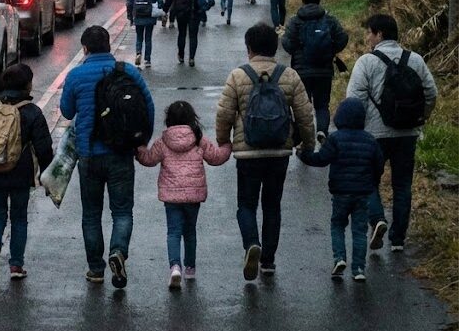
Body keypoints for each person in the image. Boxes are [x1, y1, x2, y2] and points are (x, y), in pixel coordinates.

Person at [215, 23, 315, 281]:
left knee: (245, 205)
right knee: (272, 206)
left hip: (248, 154)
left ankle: (251, 244)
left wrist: (224, 142)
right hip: (279, 153)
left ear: (249, 48)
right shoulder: (289, 75)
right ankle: (268, 261)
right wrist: (308, 145)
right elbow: (305, 115)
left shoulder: (238, 75)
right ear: (275, 47)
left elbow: (224, 114)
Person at [60, 25, 155, 288]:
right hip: (121, 153)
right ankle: (118, 251)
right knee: (122, 211)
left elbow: (67, 111)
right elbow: (147, 106)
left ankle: (96, 269)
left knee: (91, 213)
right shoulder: (128, 72)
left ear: (85, 48)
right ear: (109, 46)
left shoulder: (76, 75)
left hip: (89, 155)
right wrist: (140, 141)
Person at [346, 14, 438, 253]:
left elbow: (354, 100)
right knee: (402, 184)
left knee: (368, 180)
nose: (367, 37)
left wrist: (356, 130)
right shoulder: (415, 60)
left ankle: (377, 219)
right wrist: (421, 117)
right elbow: (431, 92)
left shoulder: (366, 62)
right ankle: (398, 239)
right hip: (408, 133)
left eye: (369, 32)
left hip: (374, 134)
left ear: (379, 34)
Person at [135, 101, 231, 289]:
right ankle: (190, 268)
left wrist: (138, 148)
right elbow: (216, 157)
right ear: (191, 118)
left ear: (168, 120)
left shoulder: (163, 141)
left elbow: (148, 159)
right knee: (190, 231)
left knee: (173, 232)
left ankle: (175, 267)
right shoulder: (198, 138)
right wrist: (228, 146)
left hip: (171, 196)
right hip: (194, 195)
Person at [297, 98, 384, 282]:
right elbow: (379, 166)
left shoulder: (335, 139)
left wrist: (303, 155)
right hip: (363, 193)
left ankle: (339, 259)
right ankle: (359, 268)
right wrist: (372, 182)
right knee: (359, 231)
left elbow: (321, 159)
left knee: (338, 225)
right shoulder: (370, 141)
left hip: (340, 192)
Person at [0, 64, 55, 280]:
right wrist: (47, 175)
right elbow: (44, 148)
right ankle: (16, 266)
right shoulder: (32, 112)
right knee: (19, 218)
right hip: (20, 173)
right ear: (27, 86)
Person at [281, 0, 349, 140]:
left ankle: (303, 137)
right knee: (322, 105)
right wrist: (331, 51)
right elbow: (342, 38)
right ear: (319, 0)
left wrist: (297, 52)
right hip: (324, 69)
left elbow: (287, 43)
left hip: (301, 70)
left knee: (302, 106)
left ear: (302, 0)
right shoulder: (329, 19)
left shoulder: (295, 20)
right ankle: (322, 131)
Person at [162, 0, 201, 67]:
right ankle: (192, 58)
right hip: (194, 9)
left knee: (182, 33)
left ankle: (181, 55)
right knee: (193, 36)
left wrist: (165, 9)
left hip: (181, 9)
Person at [126, 0, 163, 68]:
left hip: (138, 17)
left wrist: (130, 17)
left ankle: (138, 53)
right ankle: (147, 60)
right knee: (148, 38)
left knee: (139, 37)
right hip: (150, 17)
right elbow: (160, 2)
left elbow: (129, 2)